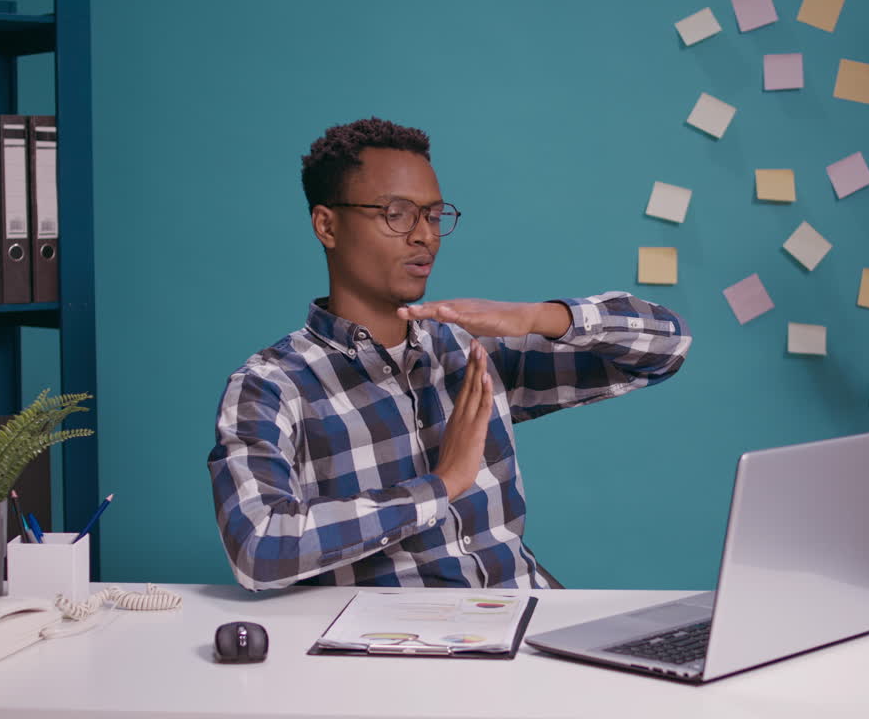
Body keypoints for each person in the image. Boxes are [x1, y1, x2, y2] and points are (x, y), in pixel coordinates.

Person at [207, 117, 691, 590]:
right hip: (399, 651)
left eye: (434, 215)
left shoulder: (469, 353)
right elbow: (258, 547)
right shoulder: (272, 386)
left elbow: (666, 347)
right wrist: (439, 486)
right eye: (397, 213)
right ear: (327, 226)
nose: (425, 236)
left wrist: (535, 318)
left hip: (527, 623)